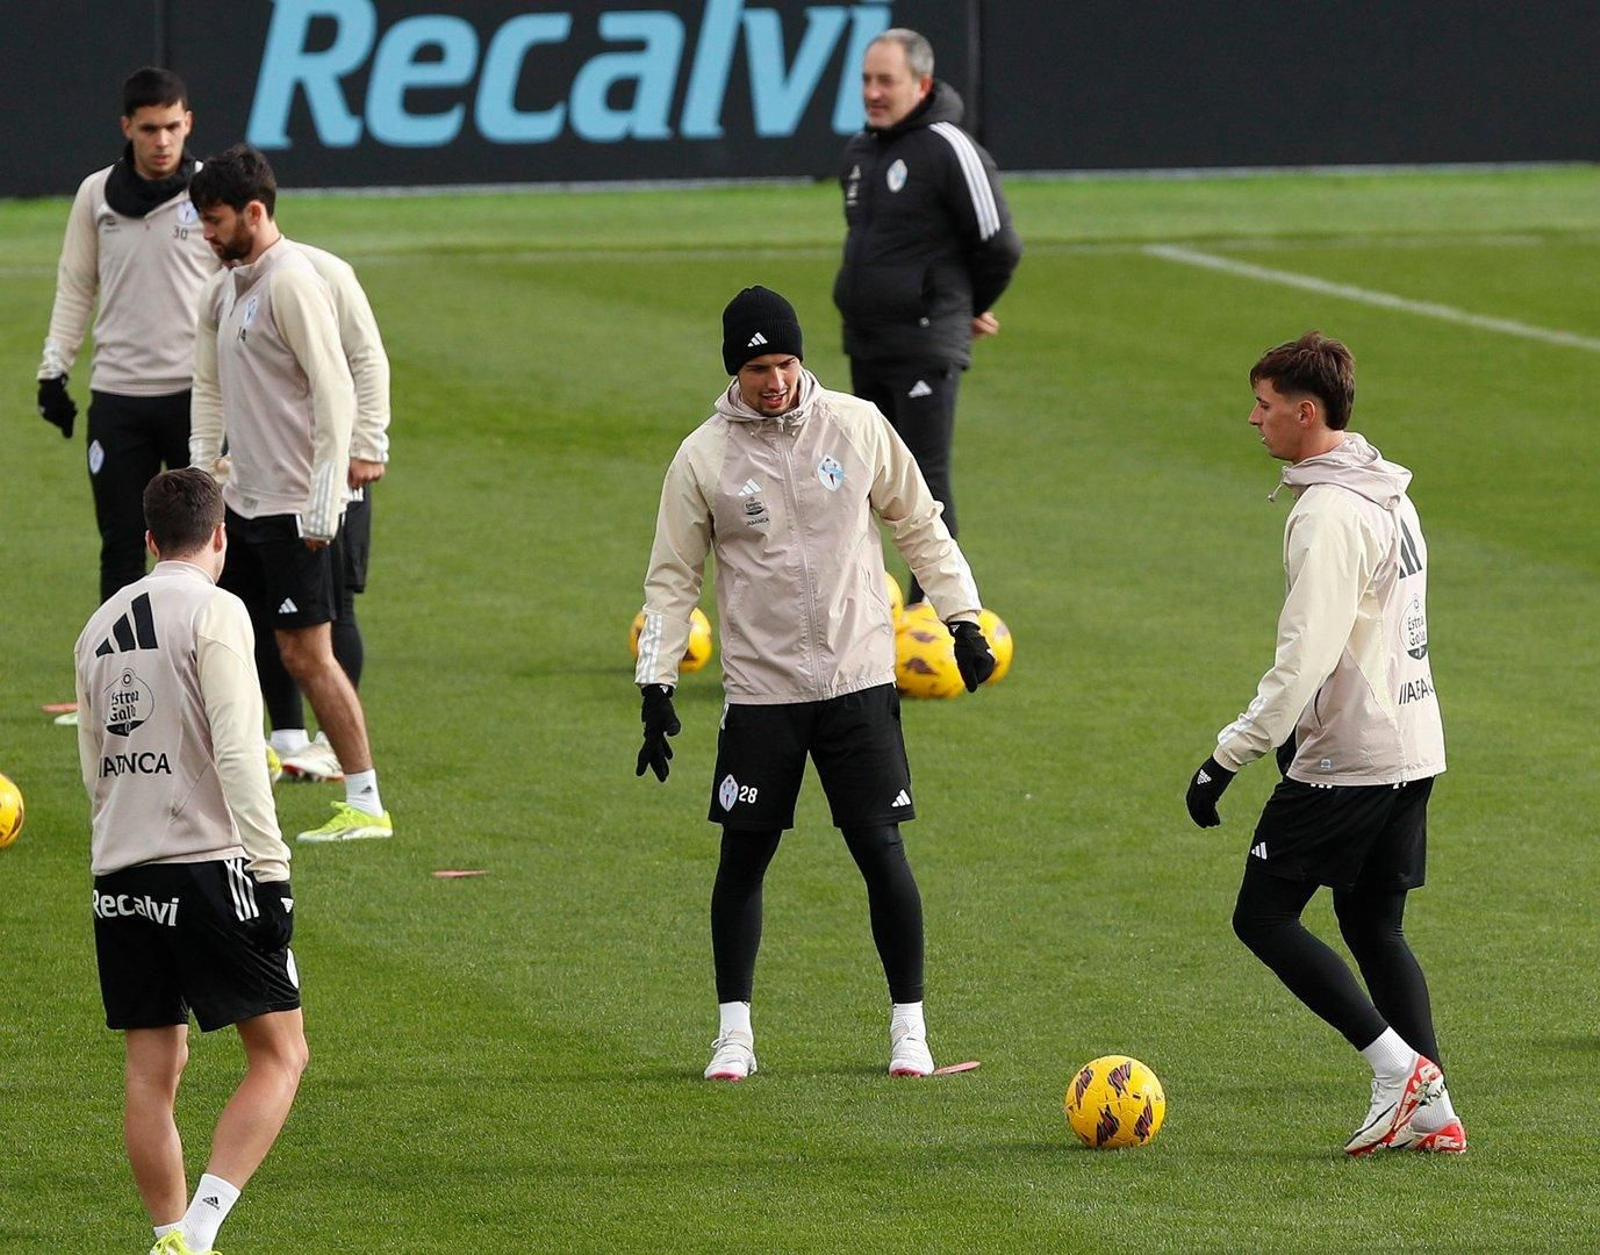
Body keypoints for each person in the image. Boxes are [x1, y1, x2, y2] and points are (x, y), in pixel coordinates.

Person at [635, 286, 995, 1082]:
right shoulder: (703, 457)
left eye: (787, 362)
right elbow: (671, 579)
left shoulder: (857, 424)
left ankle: (910, 1030)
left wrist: (963, 617)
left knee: (879, 848)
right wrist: (655, 685)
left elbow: (919, 522)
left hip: (858, 677)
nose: (776, 381)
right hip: (762, 692)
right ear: (736, 369)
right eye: (760, 366)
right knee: (744, 857)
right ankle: (734, 1035)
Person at [1184, 332, 1465, 1156]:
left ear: (1308, 413)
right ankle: (1433, 1110)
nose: (1253, 418)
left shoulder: (1329, 513)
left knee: (1262, 916)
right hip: (1416, 742)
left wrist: (1224, 758)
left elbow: (1304, 656)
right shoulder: (1386, 490)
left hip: (1352, 756)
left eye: (1265, 406)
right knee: (1374, 923)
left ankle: (1398, 1070)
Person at [74, 468, 308, 1255]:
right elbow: (241, 750)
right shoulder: (217, 611)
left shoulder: (96, 627)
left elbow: (94, 765)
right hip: (206, 864)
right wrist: (271, 873)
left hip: (119, 871)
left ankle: (168, 1235)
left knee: (152, 1067)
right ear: (219, 535)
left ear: (146, 540)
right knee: (281, 1052)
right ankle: (201, 1231)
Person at [188, 143, 392, 842]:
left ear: (254, 212)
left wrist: (326, 495)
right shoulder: (226, 288)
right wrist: (200, 474)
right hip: (243, 503)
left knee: (308, 652)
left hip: (294, 507)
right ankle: (248, 779)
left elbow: (336, 386)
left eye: (215, 222)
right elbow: (209, 386)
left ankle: (365, 802)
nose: (207, 236)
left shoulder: (291, 282)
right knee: (235, 642)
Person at [833, 28, 1022, 605]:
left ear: (921, 83)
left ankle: (941, 619)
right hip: (866, 342)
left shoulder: (948, 146)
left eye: (885, 80)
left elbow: (999, 243)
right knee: (858, 485)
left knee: (922, 486)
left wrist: (968, 307)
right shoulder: (860, 153)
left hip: (923, 342)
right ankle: (862, 612)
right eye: (866, 79)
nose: (873, 91)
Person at [36, 67, 219, 603]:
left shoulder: (212, 189)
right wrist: (54, 371)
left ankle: (205, 665)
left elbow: (241, 283)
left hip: (197, 398)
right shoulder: (96, 194)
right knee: (120, 544)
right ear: (126, 127)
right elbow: (75, 288)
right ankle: (123, 674)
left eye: (170, 127)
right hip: (118, 399)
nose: (161, 141)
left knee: (205, 546)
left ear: (187, 123)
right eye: (148, 129)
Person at [256, 244, 392, 784]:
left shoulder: (326, 273)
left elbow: (367, 358)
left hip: (335, 470)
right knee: (272, 605)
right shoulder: (233, 283)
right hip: (269, 473)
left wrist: (367, 445)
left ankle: (335, 748)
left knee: (338, 607)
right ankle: (286, 736)